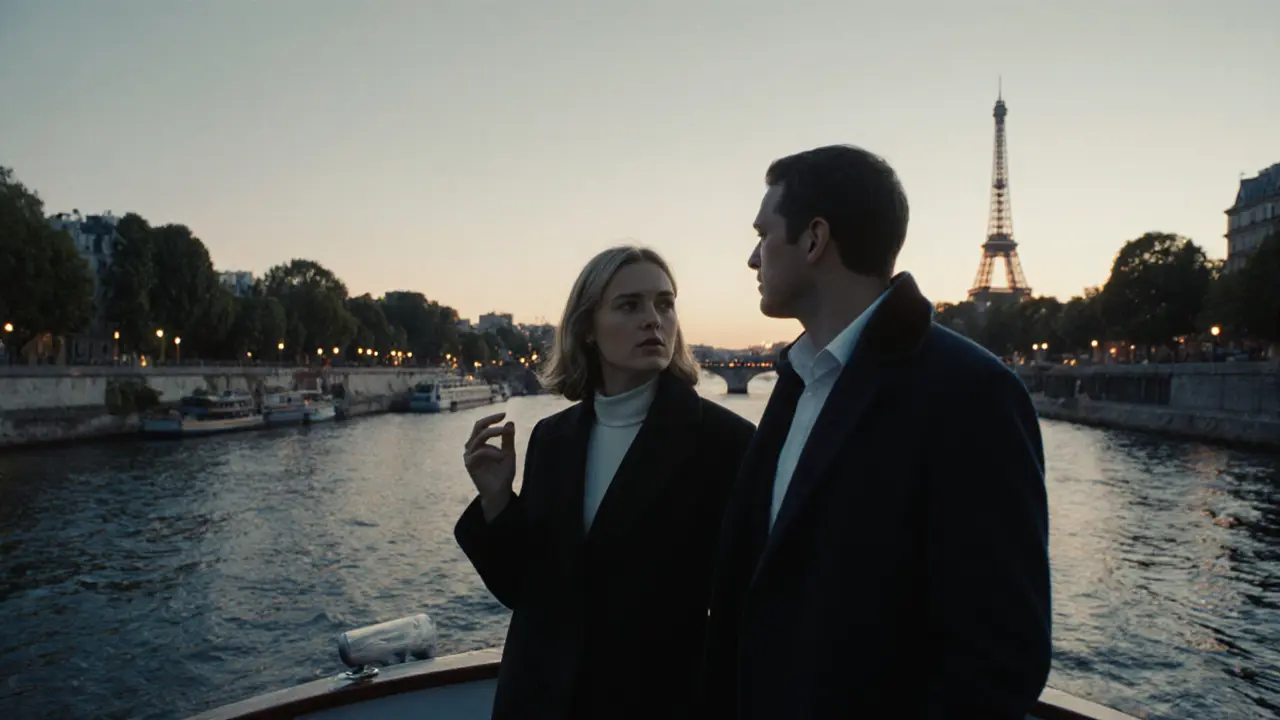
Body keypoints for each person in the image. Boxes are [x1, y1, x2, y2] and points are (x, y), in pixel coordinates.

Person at [702, 145, 1051, 719]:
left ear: (814, 240)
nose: (751, 258)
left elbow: (1000, 657)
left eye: (763, 235)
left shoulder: (973, 395)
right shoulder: (799, 380)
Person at [456, 245, 756, 719]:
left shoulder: (726, 442)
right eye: (629, 304)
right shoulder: (553, 439)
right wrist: (497, 501)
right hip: (538, 699)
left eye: (665, 303)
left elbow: (748, 607)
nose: (653, 319)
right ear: (587, 329)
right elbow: (528, 593)